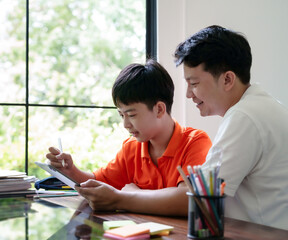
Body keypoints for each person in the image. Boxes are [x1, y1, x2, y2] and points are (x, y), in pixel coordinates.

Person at [46, 59, 212, 216]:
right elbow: (100, 182)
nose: (125, 124)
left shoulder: (195, 142)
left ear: (159, 109)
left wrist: (131, 194)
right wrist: (71, 171)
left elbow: (189, 199)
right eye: (121, 115)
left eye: (131, 114)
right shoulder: (131, 148)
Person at [174, 25, 288, 230]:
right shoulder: (264, 107)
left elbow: (200, 197)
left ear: (227, 79)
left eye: (194, 83)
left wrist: (122, 198)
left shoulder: (244, 118)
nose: (189, 94)